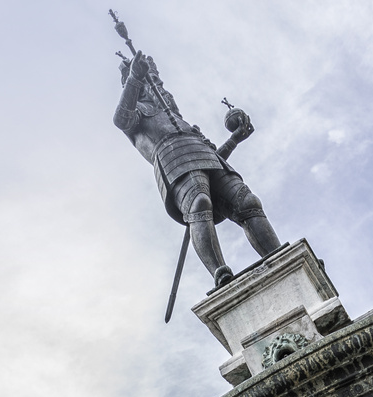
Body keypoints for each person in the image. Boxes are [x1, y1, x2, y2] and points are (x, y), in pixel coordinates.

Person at [113, 49, 281, 287]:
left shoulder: (175, 116)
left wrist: (235, 139)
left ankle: (280, 258)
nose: (154, 82)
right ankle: (220, 273)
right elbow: (121, 119)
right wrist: (134, 78)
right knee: (199, 203)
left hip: (200, 153)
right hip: (172, 159)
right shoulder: (137, 111)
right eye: (147, 77)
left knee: (247, 202)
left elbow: (212, 157)